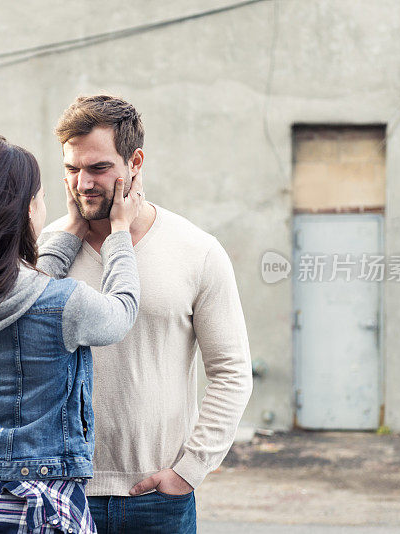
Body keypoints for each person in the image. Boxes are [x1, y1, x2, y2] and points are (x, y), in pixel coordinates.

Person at [0, 133, 145, 533]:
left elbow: (23, 294)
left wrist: (70, 229)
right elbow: (120, 312)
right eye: (38, 197)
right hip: (37, 503)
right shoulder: (65, 303)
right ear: (23, 211)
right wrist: (119, 233)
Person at [40, 95, 254, 533]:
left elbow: (231, 371)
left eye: (98, 168)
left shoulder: (196, 251)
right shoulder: (46, 251)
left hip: (157, 498)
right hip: (61, 492)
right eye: (71, 169)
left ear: (134, 162)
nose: (83, 183)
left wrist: (188, 471)